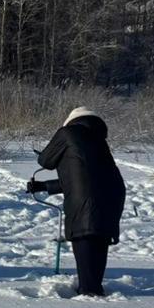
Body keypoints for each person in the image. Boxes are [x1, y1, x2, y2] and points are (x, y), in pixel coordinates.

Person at [27, 107, 126, 297]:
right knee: (97, 240)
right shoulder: (97, 139)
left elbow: (46, 161)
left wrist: (46, 153)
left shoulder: (68, 132)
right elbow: (82, 177)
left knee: (85, 237)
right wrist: (45, 186)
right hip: (112, 195)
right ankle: (92, 287)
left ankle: (89, 296)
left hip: (88, 202)